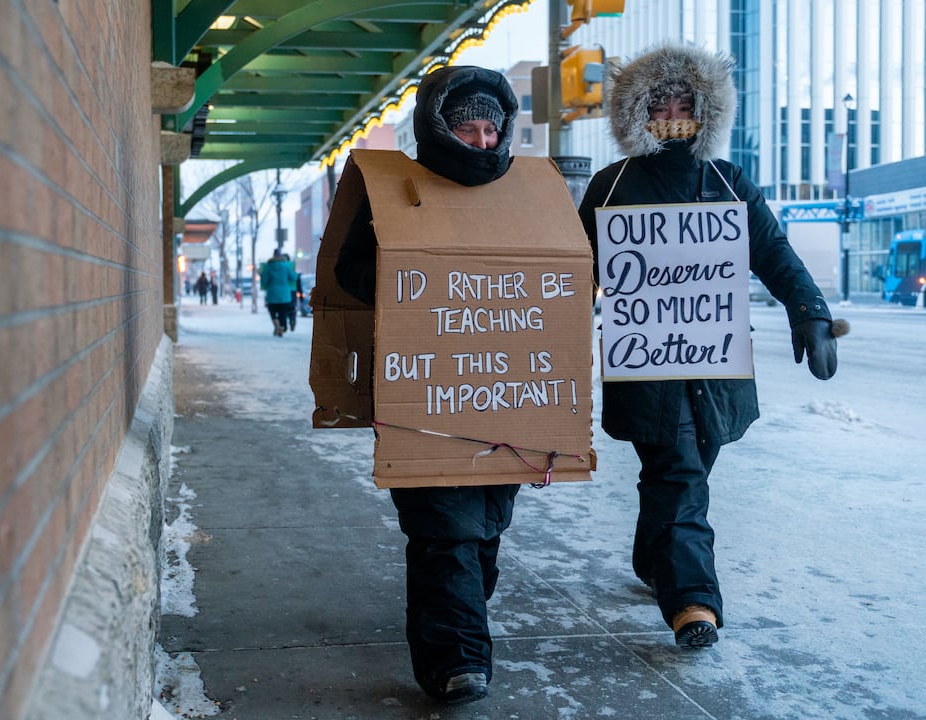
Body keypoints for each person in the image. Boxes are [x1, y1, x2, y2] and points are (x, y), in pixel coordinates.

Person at [576, 44, 839, 649]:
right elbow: (574, 271)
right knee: (680, 472)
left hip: (716, 369)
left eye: (684, 100)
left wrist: (810, 313)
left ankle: (655, 558)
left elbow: (772, 251)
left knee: (680, 474)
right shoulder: (610, 188)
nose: (673, 109)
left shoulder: (728, 181)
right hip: (646, 369)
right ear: (636, 110)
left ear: (705, 107)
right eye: (659, 100)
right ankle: (693, 601)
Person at [333, 65, 521, 705]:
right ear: (439, 128)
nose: (479, 140)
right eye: (465, 126)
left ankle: (461, 617)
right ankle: (456, 660)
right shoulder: (397, 193)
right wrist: (412, 276)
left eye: (488, 129)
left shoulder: (522, 196)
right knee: (444, 529)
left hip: (500, 394)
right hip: (422, 390)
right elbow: (351, 269)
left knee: (486, 527)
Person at [260, 249, 298, 336]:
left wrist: (261, 274)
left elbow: (264, 281)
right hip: (284, 294)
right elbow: (293, 278)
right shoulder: (286, 266)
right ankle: (281, 328)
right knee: (282, 313)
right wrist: (295, 272)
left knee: (272, 310)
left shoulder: (268, 267)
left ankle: (276, 322)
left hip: (272, 293)